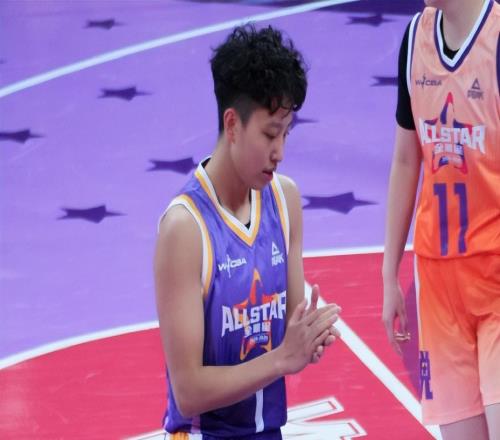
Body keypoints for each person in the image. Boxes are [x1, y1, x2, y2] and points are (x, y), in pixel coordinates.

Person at [154, 24, 341, 439]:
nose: (280, 152)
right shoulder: (185, 229)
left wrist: (310, 334)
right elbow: (188, 391)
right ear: (233, 124)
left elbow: (291, 328)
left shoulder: (285, 200)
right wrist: (282, 359)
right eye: (270, 134)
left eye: (287, 133)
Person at [382, 0, 499, 438]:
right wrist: (389, 273)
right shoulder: (415, 39)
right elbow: (405, 160)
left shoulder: (496, 40)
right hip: (439, 287)